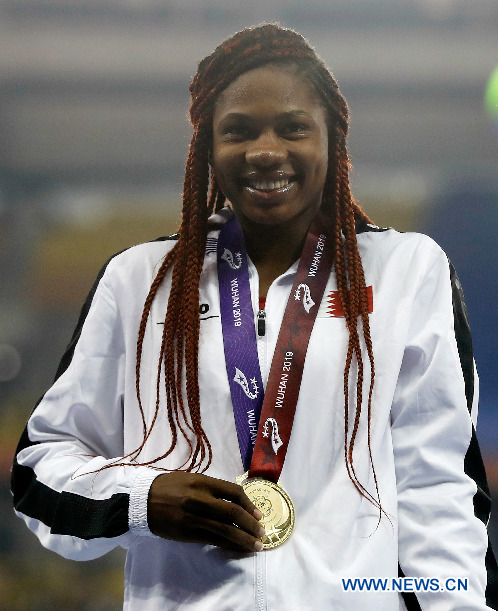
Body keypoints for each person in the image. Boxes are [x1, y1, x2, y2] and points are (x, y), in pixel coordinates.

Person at [11, 23, 498, 610]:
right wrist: (142, 499)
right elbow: (39, 469)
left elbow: (440, 487)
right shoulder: (139, 281)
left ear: (332, 139)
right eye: (238, 131)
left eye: (293, 128)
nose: (266, 150)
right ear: (207, 148)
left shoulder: (405, 270)